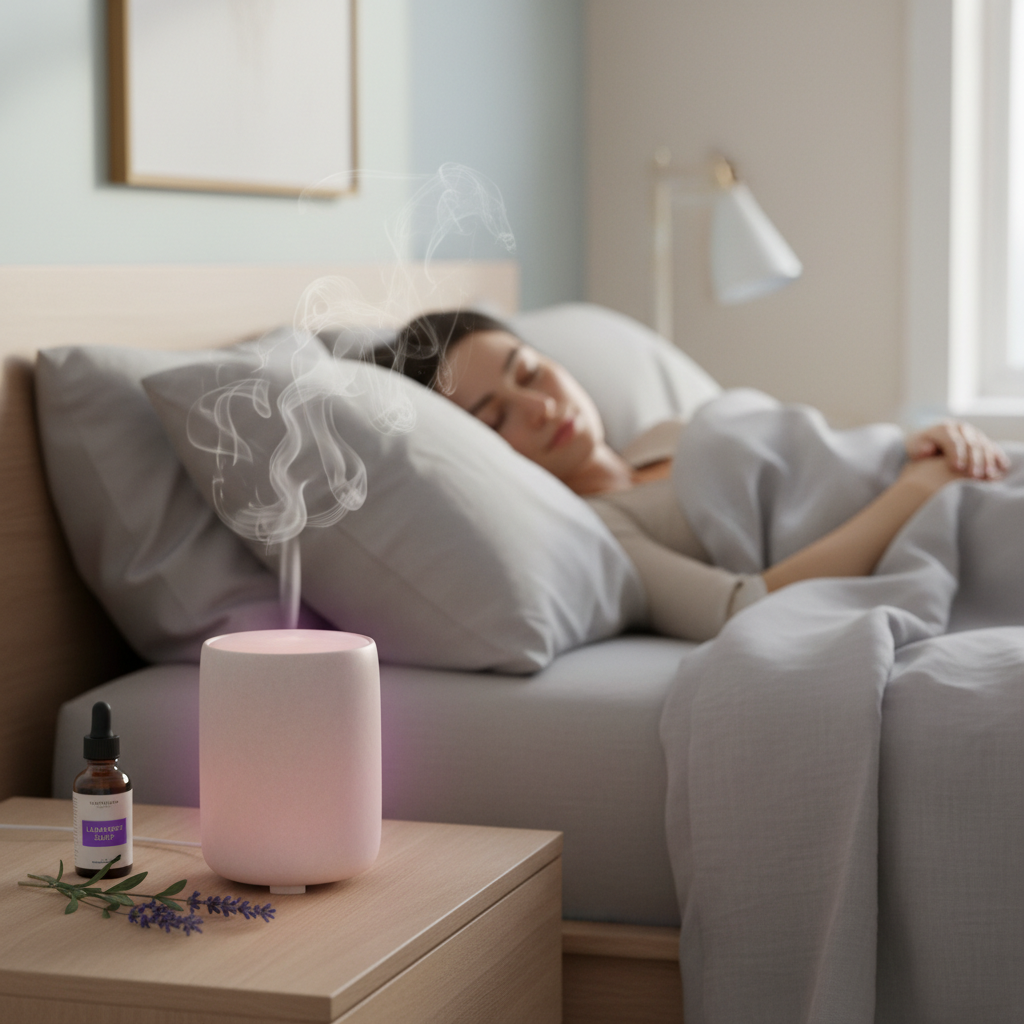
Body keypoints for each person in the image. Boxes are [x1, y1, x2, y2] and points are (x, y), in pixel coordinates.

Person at [385, 310, 1011, 641]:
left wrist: (925, 445)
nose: (541, 408)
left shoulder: (663, 433)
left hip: (966, 476)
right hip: (938, 520)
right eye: (496, 419)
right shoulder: (605, 534)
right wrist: (916, 489)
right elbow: (745, 605)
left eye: (531, 374)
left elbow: (825, 460)